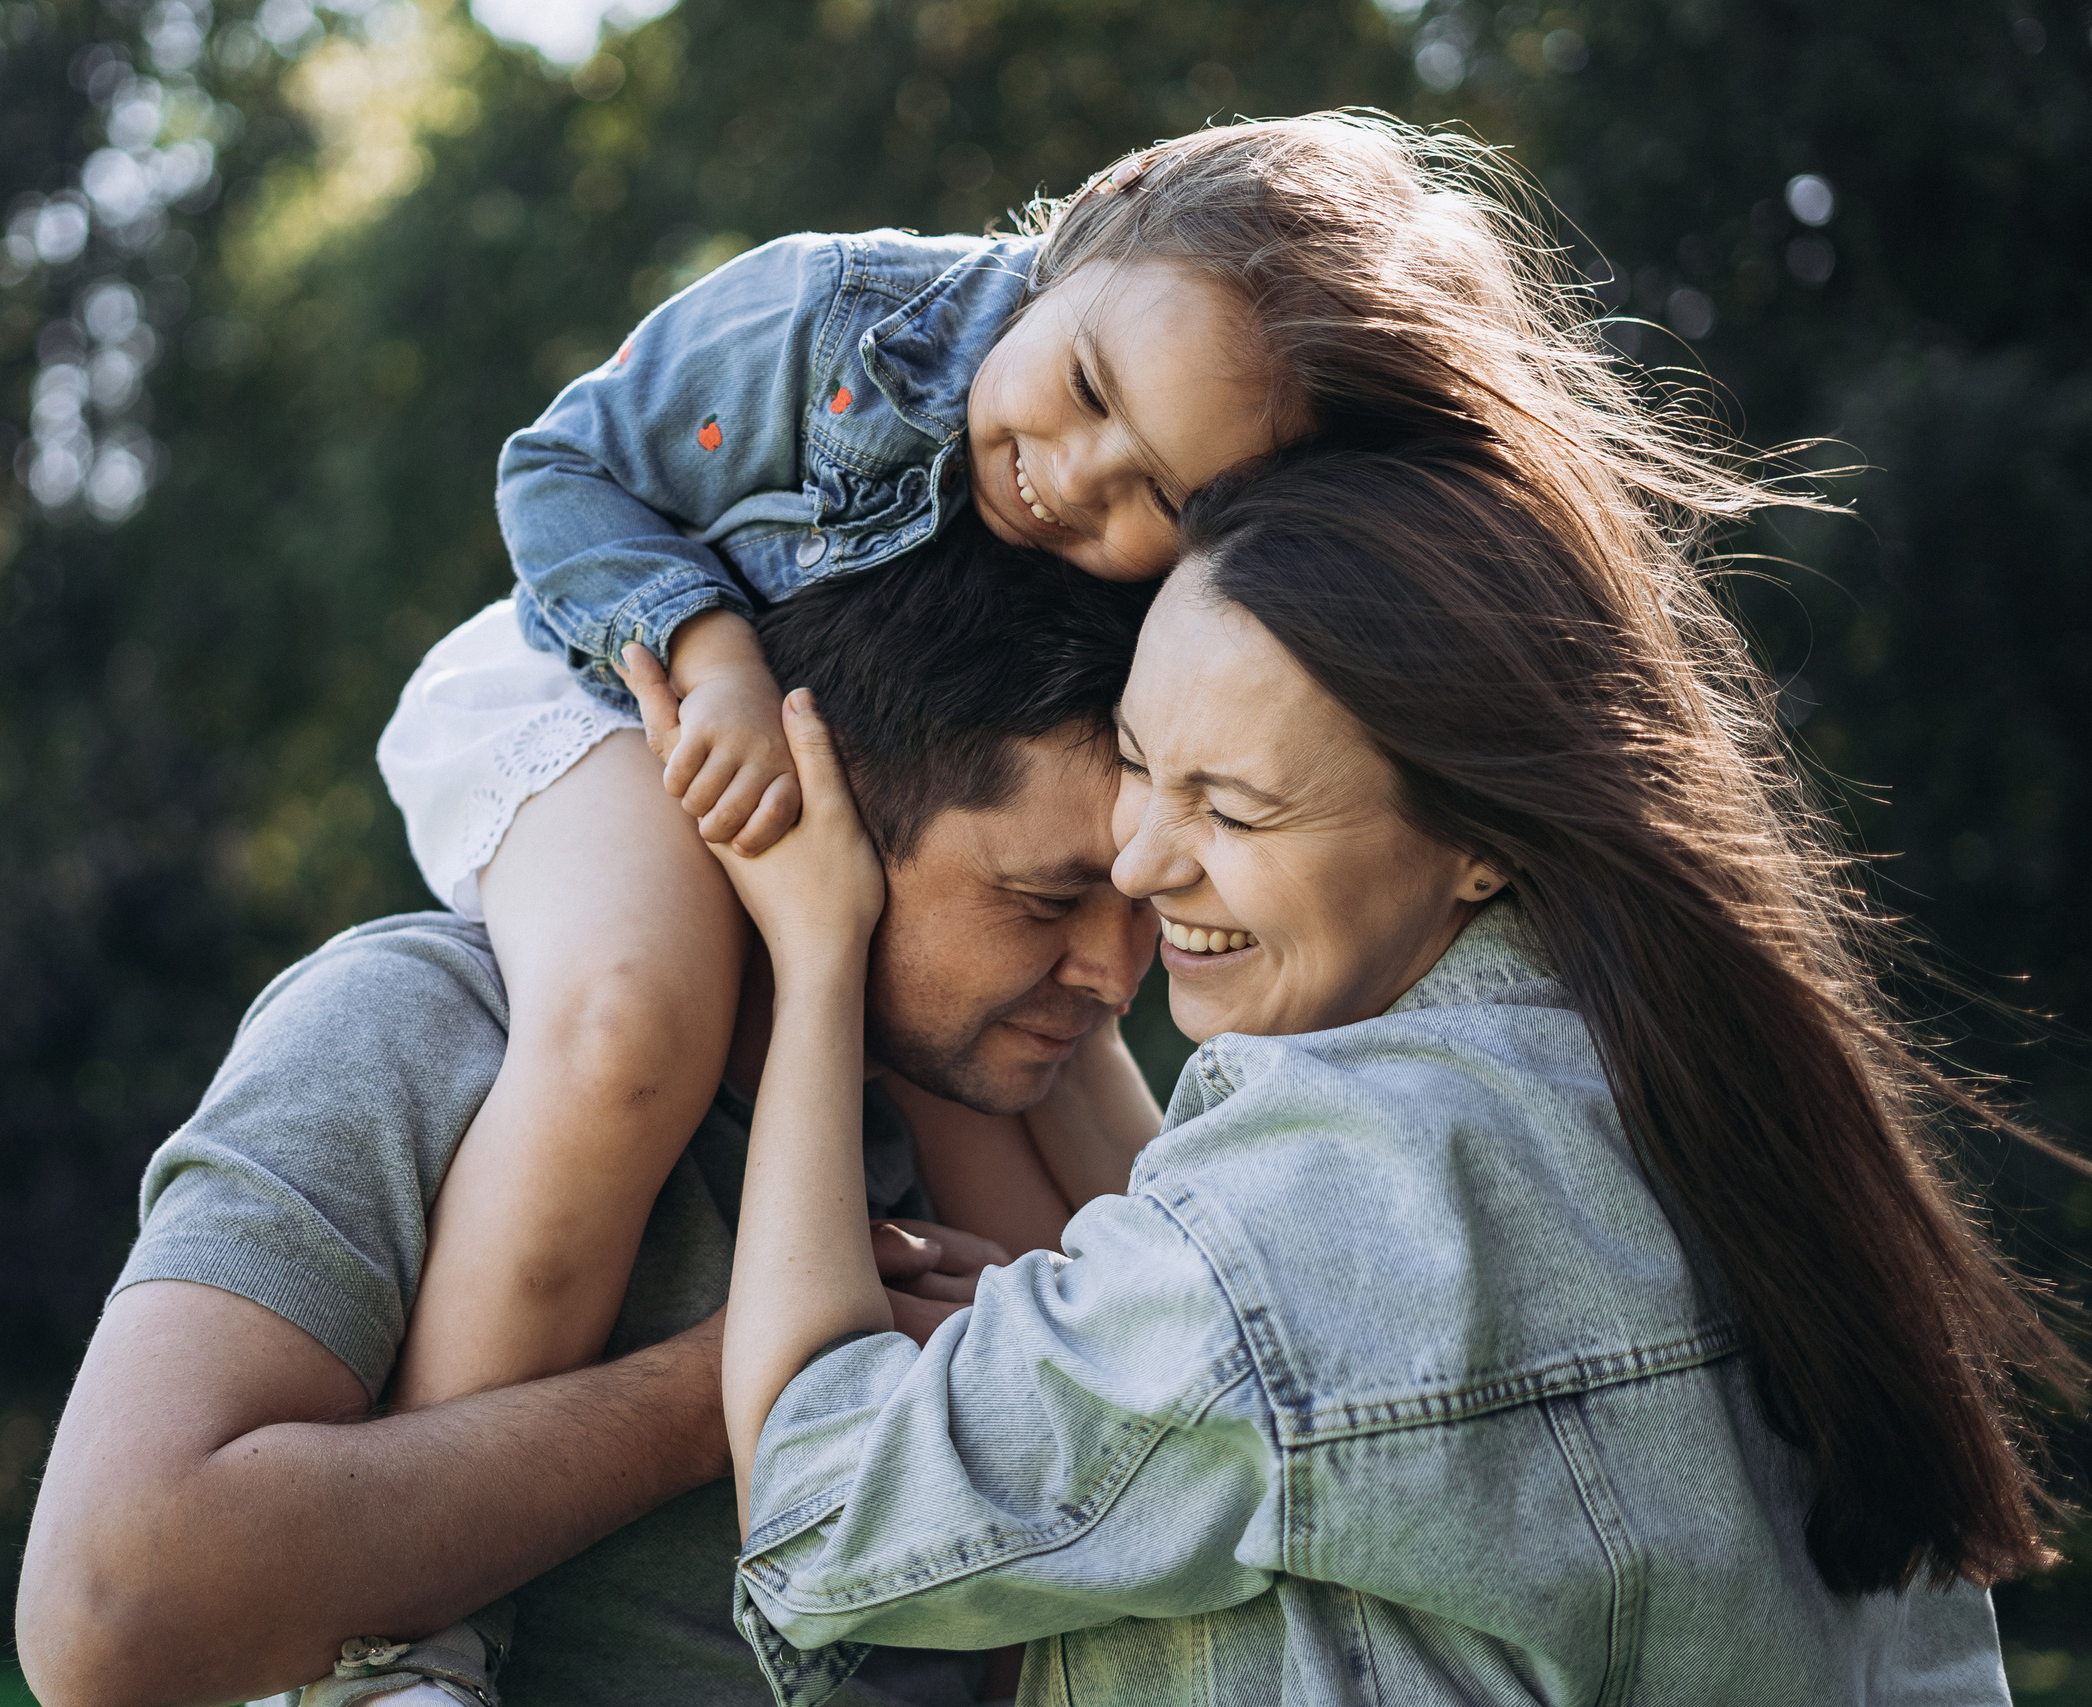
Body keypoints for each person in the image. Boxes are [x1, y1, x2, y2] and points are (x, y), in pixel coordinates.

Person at [374, 112, 1721, 1416]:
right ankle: (408, 1610)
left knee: (1026, 1062)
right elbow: (558, 464)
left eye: (1161, 496)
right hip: (592, 675)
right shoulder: (835, 318)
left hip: (877, 761)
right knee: (633, 1012)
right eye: (1085, 389)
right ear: (1101, 211)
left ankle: (1133, 1350)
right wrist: (707, 646)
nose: (1072, 479)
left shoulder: (1174, 578)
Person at [686, 441, 2072, 1704]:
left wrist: (819, 954)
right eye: (1136, 765)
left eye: (1228, 805)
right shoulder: (1727, 1102)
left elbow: (820, 1507)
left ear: (1475, 833)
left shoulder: (1315, 1210)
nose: (1138, 861)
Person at [12, 521, 1163, 1707]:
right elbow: (109, 1616)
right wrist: (751, 1380)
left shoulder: (974, 1141)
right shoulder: (420, 1030)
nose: (1117, 975)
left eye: (1139, 900)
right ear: (828, 810)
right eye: (1048, 898)